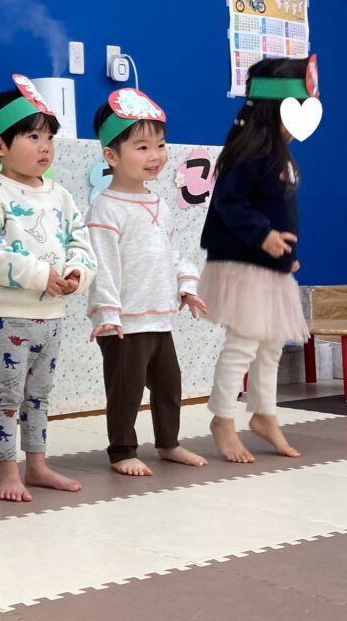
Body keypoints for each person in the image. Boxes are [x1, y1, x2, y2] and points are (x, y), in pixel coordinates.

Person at [0, 75, 96, 502]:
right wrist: (40, 275)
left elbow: (81, 242)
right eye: (33, 136)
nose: (46, 147)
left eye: (50, 138)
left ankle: (37, 465)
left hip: (52, 317)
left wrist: (75, 273)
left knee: (39, 396)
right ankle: (8, 471)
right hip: (8, 315)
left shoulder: (61, 195)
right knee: (8, 395)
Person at [86, 88, 208, 476]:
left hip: (158, 318)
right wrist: (108, 314)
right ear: (111, 155)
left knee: (169, 385)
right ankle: (122, 450)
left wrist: (186, 284)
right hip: (124, 322)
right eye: (142, 147)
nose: (155, 155)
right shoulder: (105, 207)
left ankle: (168, 443)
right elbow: (102, 265)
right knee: (126, 388)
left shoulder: (158, 204)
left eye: (160, 145)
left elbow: (171, 253)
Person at [202, 56, 316, 463]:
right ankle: (222, 418)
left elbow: (280, 211)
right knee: (245, 342)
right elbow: (229, 202)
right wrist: (263, 236)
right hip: (244, 262)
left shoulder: (279, 152)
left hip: (270, 264)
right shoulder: (250, 151)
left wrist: (288, 257)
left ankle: (264, 413)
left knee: (271, 344)